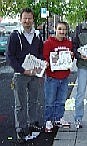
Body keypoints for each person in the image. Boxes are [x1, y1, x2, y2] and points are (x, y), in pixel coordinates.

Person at [7, 8, 44, 141]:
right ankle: (21, 129)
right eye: (25, 18)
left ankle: (32, 123)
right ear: (21, 19)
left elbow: (40, 53)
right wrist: (23, 70)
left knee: (33, 101)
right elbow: (9, 57)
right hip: (20, 75)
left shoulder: (37, 35)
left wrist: (40, 65)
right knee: (20, 104)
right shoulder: (15, 36)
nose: (27, 21)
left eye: (29, 18)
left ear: (33, 19)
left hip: (34, 75)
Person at [43, 21, 73, 132]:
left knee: (61, 100)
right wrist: (47, 62)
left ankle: (58, 118)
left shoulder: (68, 43)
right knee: (50, 100)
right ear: (55, 29)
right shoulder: (48, 43)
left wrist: (71, 56)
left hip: (64, 76)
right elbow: (45, 58)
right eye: (60, 29)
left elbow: (70, 60)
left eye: (64, 29)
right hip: (52, 77)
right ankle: (48, 120)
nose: (62, 31)